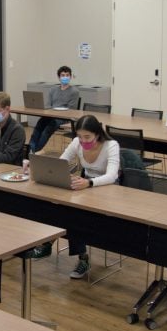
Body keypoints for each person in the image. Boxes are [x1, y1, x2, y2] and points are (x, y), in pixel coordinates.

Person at [49, 115, 120, 275]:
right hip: (85, 185)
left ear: (97, 133)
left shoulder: (111, 145)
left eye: (87, 136)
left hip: (107, 188)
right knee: (65, 207)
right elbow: (61, 162)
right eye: (80, 136)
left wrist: (89, 183)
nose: (83, 140)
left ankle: (78, 256)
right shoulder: (77, 143)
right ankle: (74, 251)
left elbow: (112, 176)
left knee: (75, 214)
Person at [28, 66, 80, 154]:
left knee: (48, 128)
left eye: (67, 75)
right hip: (51, 115)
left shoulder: (74, 91)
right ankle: (30, 148)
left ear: (70, 77)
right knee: (39, 124)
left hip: (64, 118)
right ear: (59, 77)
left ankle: (35, 151)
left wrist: (57, 112)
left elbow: (72, 109)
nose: (65, 77)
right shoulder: (53, 90)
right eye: (63, 75)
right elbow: (48, 105)